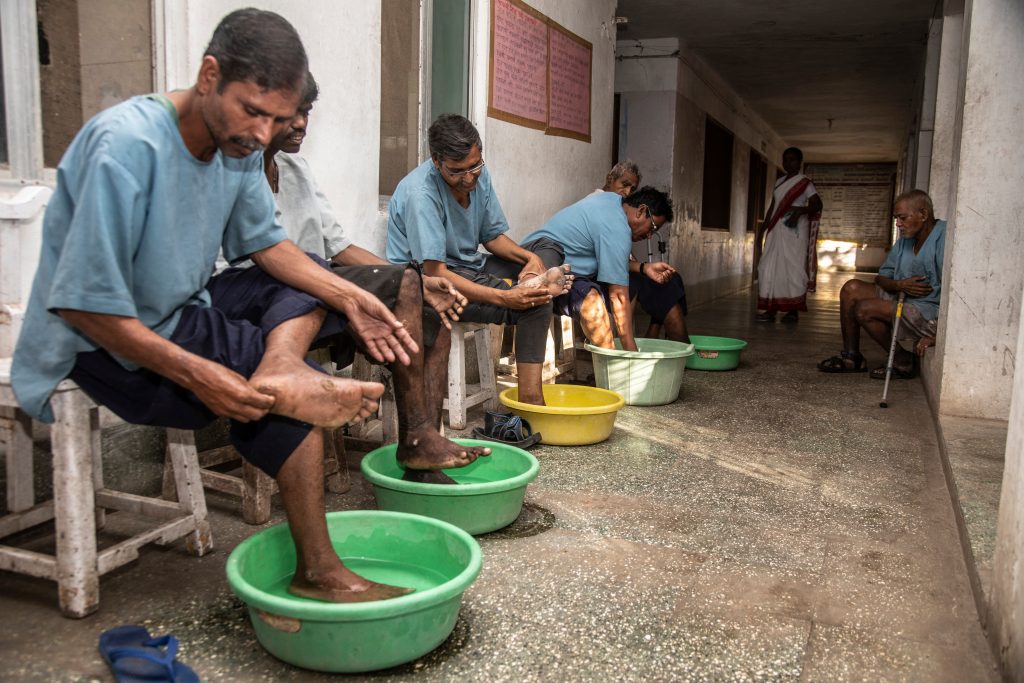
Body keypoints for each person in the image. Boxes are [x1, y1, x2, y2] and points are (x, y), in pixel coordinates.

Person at [11, 9, 479, 603]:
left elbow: (267, 243)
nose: (263, 134)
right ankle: (282, 394)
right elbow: (84, 308)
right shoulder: (125, 147)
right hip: (92, 340)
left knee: (288, 390)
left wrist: (351, 295)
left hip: (178, 315)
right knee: (274, 392)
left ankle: (318, 568)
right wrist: (202, 374)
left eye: (279, 120)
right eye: (254, 112)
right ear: (210, 75)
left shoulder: (235, 151)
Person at [256, 72, 485, 484]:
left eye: (306, 112)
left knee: (434, 320)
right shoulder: (238, 174)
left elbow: (340, 247)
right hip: (276, 295)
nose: (302, 124)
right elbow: (270, 259)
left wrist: (407, 279)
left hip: (322, 287)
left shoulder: (296, 169)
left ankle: (425, 451)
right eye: (292, 113)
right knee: (408, 284)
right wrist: (402, 282)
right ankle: (417, 440)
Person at [385, 114, 570, 406]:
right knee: (537, 301)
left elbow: (491, 237)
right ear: (436, 162)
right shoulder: (421, 194)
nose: (469, 177)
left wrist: (530, 258)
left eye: (475, 166)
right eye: (457, 172)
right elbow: (437, 276)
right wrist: (504, 297)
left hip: (470, 265)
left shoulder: (477, 176)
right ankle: (531, 401)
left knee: (546, 245)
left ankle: (533, 277)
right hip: (426, 283)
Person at [520, 187, 673, 352]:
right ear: (641, 210)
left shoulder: (611, 201)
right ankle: (614, 368)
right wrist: (632, 354)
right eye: (652, 228)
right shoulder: (617, 228)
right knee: (591, 298)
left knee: (633, 283)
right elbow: (618, 296)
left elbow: (612, 261)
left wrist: (643, 268)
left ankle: (611, 358)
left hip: (553, 259)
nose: (649, 235)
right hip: (541, 266)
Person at [817, 190, 945, 377]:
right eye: (896, 218)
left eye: (902, 218)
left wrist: (938, 337)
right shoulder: (906, 239)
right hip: (903, 297)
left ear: (924, 214)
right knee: (851, 289)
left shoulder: (945, 238)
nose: (898, 224)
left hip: (928, 312)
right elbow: (881, 278)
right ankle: (852, 358)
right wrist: (899, 285)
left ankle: (901, 360)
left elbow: (960, 293)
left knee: (865, 309)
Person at [594, 162, 690, 343]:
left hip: (614, 268)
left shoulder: (620, 210)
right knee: (659, 286)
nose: (627, 192)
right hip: (600, 274)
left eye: (633, 188)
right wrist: (642, 268)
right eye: (624, 184)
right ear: (610, 179)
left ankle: (660, 333)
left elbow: (621, 256)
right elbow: (608, 261)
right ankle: (680, 345)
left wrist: (643, 267)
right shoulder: (601, 204)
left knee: (671, 278)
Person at [755, 147, 823, 323]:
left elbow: (817, 204)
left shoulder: (805, 183)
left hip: (795, 232)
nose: (788, 163)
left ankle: (793, 310)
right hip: (776, 230)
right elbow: (773, 207)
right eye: (785, 160)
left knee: (792, 270)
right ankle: (771, 309)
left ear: (799, 162)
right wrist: (762, 231)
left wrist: (800, 210)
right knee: (769, 267)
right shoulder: (780, 182)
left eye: (792, 160)